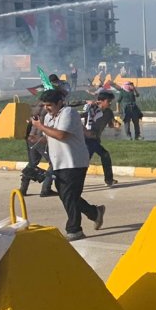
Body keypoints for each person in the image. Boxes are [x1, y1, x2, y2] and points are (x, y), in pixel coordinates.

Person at [31, 89, 106, 241]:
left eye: (50, 105)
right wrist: (36, 138)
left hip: (74, 162)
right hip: (58, 163)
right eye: (45, 105)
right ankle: (94, 212)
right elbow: (51, 137)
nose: (47, 108)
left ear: (60, 102)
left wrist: (40, 127)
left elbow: (61, 135)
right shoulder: (47, 118)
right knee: (68, 196)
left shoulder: (69, 113)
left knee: (69, 196)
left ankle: (74, 230)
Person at [82, 91, 118, 187]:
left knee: (103, 156)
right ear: (100, 101)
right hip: (87, 139)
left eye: (111, 101)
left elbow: (111, 124)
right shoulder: (92, 110)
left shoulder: (109, 112)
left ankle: (109, 179)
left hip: (96, 139)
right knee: (85, 161)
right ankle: (77, 181)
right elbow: (80, 119)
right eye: (108, 101)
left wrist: (115, 124)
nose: (110, 103)